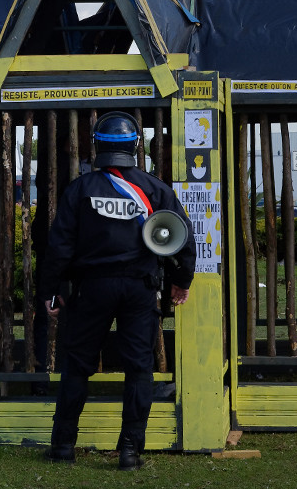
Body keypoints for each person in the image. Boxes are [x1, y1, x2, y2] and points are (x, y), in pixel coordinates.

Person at [39, 111, 196, 470]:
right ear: (134, 147)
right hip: (140, 290)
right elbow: (183, 237)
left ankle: (63, 447)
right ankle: (129, 452)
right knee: (139, 368)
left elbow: (59, 245)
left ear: (97, 147)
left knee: (77, 366)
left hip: (91, 289)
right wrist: (181, 282)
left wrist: (51, 291)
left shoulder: (80, 190)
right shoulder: (155, 189)